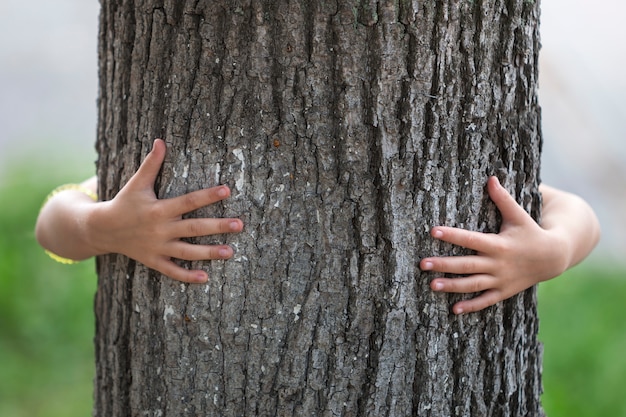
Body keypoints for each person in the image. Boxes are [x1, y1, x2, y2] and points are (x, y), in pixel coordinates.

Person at [35, 139, 600, 314]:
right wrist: (105, 228)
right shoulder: (149, 199)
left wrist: (552, 252)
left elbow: (576, 211)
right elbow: (52, 222)